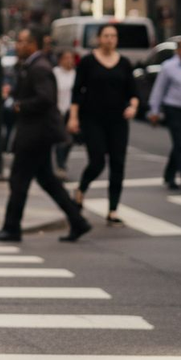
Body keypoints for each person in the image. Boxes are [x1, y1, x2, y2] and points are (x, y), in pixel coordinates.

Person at [0, 27, 91, 243]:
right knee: (48, 181)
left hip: (36, 134)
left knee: (19, 180)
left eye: (22, 42)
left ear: (33, 44)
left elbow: (46, 99)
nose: (18, 45)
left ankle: (12, 228)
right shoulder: (32, 65)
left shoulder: (39, 67)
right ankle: (78, 221)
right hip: (37, 133)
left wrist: (19, 106)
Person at [68, 24, 140, 227]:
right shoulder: (88, 62)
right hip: (92, 119)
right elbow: (77, 92)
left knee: (118, 163)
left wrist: (133, 107)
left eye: (113, 36)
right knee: (97, 161)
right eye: (106, 35)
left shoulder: (124, 63)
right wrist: (73, 118)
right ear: (99, 38)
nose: (110, 39)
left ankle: (113, 209)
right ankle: (81, 189)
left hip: (118, 120)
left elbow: (133, 93)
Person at [149, 37, 181, 194]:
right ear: (178, 51)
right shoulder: (168, 67)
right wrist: (154, 110)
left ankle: (169, 174)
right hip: (173, 109)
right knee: (180, 144)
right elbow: (159, 89)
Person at [52, 50, 76, 178]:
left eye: (71, 58)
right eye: (66, 57)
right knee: (61, 139)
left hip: (71, 113)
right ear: (60, 60)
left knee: (69, 141)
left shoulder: (75, 74)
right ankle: (60, 166)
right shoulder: (55, 73)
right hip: (57, 111)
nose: (69, 60)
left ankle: (62, 163)